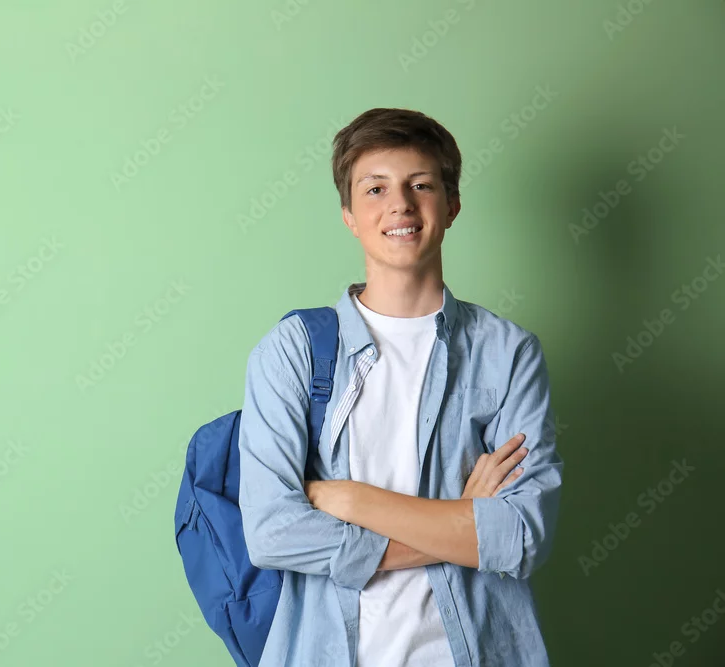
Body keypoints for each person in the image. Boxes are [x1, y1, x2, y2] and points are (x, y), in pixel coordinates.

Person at [237, 108, 563, 667]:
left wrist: (350, 500)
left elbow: (521, 537)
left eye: (421, 185)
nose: (400, 205)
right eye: (375, 188)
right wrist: (461, 518)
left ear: (451, 205)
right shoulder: (294, 350)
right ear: (349, 215)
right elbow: (272, 532)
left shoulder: (508, 354)